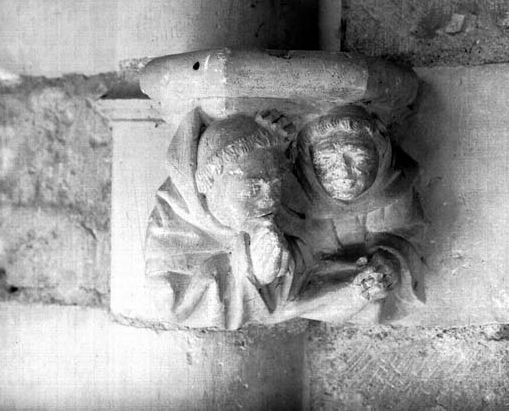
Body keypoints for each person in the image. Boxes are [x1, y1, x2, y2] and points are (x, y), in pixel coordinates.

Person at [144, 109, 295, 329]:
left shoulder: (278, 220)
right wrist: (250, 267)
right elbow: (173, 308)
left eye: (276, 184)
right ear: (208, 186)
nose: (269, 200)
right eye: (253, 188)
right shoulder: (172, 224)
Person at [282, 105, 426, 323]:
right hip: (314, 292)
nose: (343, 171)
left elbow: (408, 239)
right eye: (326, 159)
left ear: (380, 154)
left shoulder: (395, 190)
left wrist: (391, 261)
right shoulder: (294, 199)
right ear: (308, 162)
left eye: (358, 155)